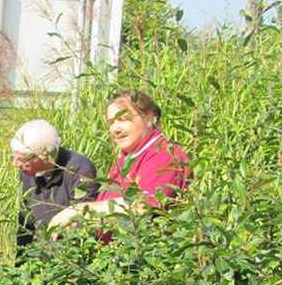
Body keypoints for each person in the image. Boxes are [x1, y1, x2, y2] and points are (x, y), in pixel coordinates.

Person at [48, 90, 191, 229]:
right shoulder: (126, 159)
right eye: (111, 122)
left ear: (149, 118)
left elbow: (143, 206)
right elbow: (111, 213)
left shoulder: (164, 155)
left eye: (123, 119)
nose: (115, 129)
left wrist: (81, 210)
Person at [10, 119, 97, 244]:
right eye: (14, 157)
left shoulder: (79, 169)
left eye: (22, 160)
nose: (15, 164)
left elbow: (83, 221)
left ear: (45, 157)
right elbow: (26, 222)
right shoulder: (27, 172)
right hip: (38, 252)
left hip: (68, 253)